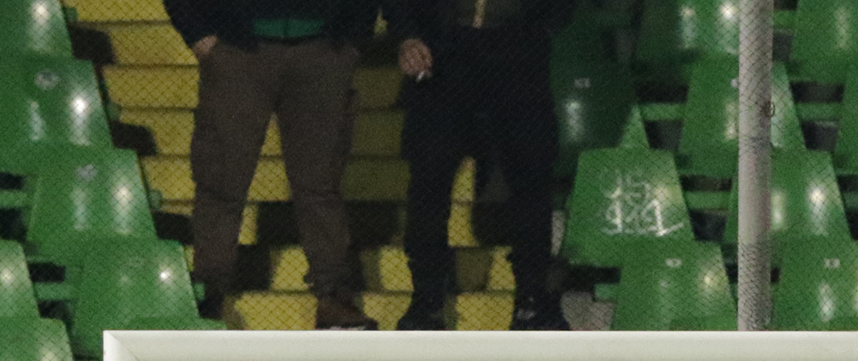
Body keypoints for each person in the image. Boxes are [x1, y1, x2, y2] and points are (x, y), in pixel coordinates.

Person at [165, 0, 380, 330]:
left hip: (322, 48)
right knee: (222, 180)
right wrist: (199, 34)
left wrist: (351, 38)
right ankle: (208, 294)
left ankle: (333, 297)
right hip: (239, 48)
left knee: (321, 184)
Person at [386, 0, 571, 331]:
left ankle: (531, 299)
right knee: (429, 182)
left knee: (531, 178)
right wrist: (408, 37)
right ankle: (427, 299)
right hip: (443, 53)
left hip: (517, 53)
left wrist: (535, 28)